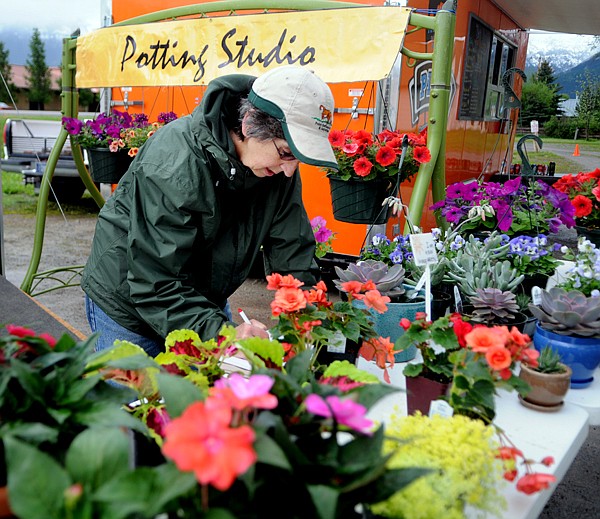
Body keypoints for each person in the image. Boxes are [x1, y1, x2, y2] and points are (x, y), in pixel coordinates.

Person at [81, 66, 338, 356]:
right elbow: (155, 282)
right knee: (141, 386)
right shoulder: (174, 162)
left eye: (298, 159)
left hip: (197, 299)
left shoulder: (277, 168)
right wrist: (221, 334)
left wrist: (304, 318)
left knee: (216, 379)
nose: (290, 171)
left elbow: (292, 253)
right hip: (129, 306)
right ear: (249, 124)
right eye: (286, 153)